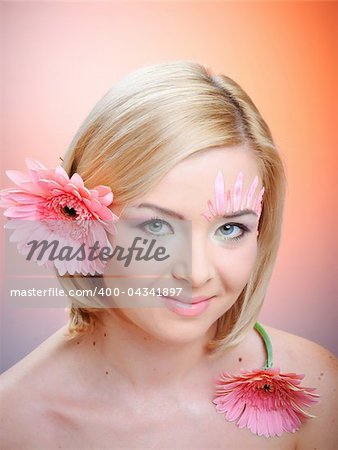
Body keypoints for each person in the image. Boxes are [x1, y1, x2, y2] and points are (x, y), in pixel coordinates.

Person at [0, 61, 337, 450]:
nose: (195, 274)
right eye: (157, 227)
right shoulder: (14, 424)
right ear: (81, 225)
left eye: (230, 228)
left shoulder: (316, 389)